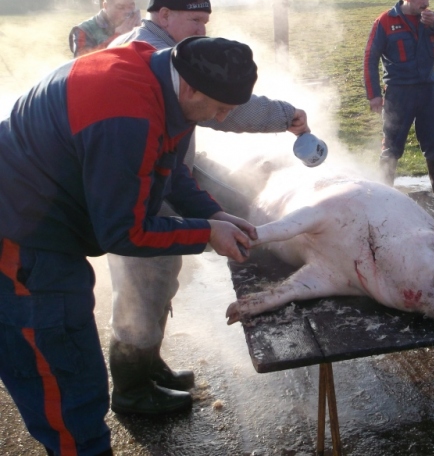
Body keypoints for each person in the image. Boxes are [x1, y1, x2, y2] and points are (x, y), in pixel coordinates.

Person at [0, 35, 259, 456]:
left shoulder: (156, 74)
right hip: (18, 241)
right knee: (66, 389)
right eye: (220, 108)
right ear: (191, 87)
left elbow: (167, 168)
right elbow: (125, 233)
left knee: (76, 370)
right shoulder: (127, 116)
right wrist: (206, 234)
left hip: (41, 225)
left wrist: (215, 214)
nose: (221, 117)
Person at [107, 0, 311, 416]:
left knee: (156, 279)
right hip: (142, 183)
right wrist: (283, 116)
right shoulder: (151, 50)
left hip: (163, 173)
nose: (201, 30)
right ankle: (130, 392)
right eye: (195, 21)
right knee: (143, 280)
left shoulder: (159, 45)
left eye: (205, 22)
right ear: (163, 15)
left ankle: (148, 366)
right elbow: (225, 109)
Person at [363, 0, 434, 200]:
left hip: (427, 92)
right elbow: (370, 58)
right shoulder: (385, 21)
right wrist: (374, 95)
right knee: (392, 148)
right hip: (398, 94)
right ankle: (384, 198)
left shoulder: (430, 18)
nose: (426, 3)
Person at [69, 0, 141, 58]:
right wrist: (118, 36)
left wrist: (141, 31)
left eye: (131, 6)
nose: (128, 12)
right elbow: (81, 61)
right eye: (120, 7)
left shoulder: (137, 24)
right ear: (106, 6)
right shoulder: (84, 29)